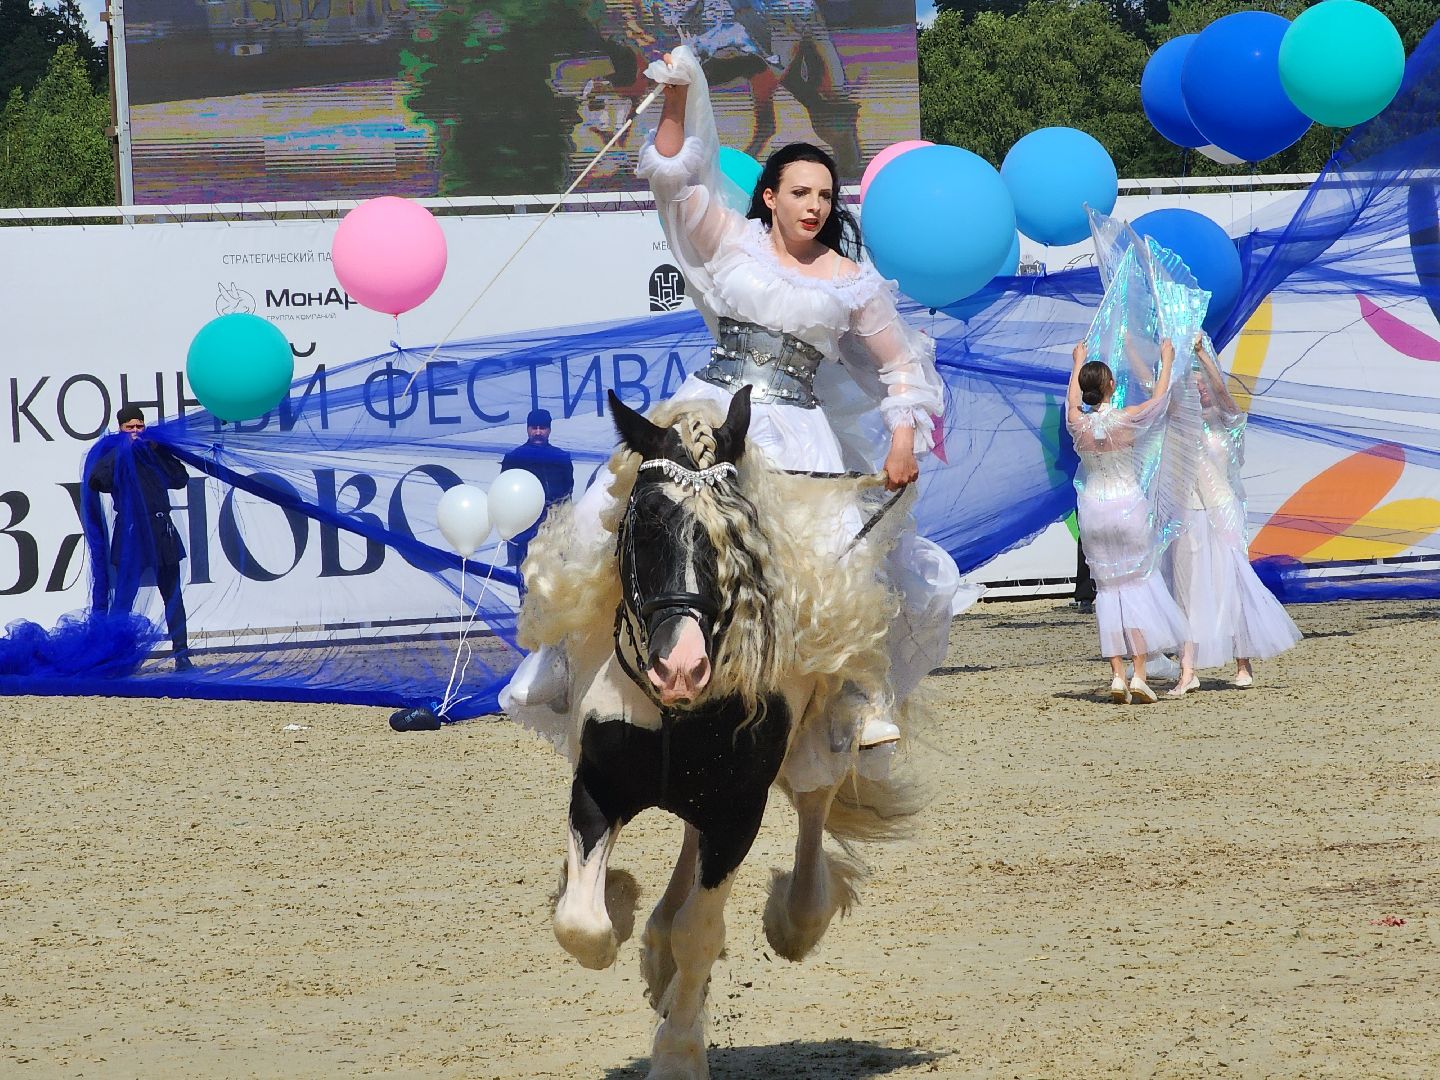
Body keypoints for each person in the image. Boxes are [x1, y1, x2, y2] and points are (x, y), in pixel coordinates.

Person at [505, 44, 960, 762]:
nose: (814, 205)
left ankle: (851, 690)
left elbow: (904, 367)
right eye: (800, 192)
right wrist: (680, 96)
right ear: (770, 196)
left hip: (797, 426)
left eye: (824, 195)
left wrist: (902, 441)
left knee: (837, 552)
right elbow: (675, 181)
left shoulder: (850, 282)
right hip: (709, 407)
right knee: (611, 507)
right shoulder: (733, 243)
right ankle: (563, 657)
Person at [1163, 336, 1302, 695]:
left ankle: (1243, 662)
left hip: (1223, 511)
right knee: (1187, 590)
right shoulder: (1179, 427)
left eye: (1203, 386)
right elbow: (1156, 394)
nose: (1202, 392)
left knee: (1233, 583)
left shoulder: (1228, 423)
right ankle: (1187, 669)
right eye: (1194, 388)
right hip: (1189, 513)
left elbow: (1224, 396)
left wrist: (1201, 356)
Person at [1067, 340, 1189, 704]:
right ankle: (1139, 673)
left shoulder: (1077, 423)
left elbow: (1072, 402)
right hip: (1126, 508)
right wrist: (1166, 361)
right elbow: (1162, 400)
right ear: (1111, 387)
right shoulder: (1127, 418)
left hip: (1093, 510)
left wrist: (1076, 364)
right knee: (1137, 586)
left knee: (1108, 592)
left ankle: (1118, 675)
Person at [86, 405, 193, 671]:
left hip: (159, 529)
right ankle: (115, 658)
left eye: (139, 426)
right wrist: (123, 450)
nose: (135, 432)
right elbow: (96, 481)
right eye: (129, 427)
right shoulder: (113, 453)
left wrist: (159, 452)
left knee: (172, 595)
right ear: (120, 428)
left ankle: (182, 655)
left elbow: (180, 478)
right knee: (124, 597)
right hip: (131, 533)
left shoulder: (155, 451)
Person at [499, 408, 575, 581]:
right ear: (527, 429)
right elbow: (504, 495)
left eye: (543, 428)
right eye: (534, 428)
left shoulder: (561, 458)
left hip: (554, 530)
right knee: (526, 581)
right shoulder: (514, 458)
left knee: (555, 581)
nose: (538, 432)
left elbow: (567, 492)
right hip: (524, 531)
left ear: (549, 430)